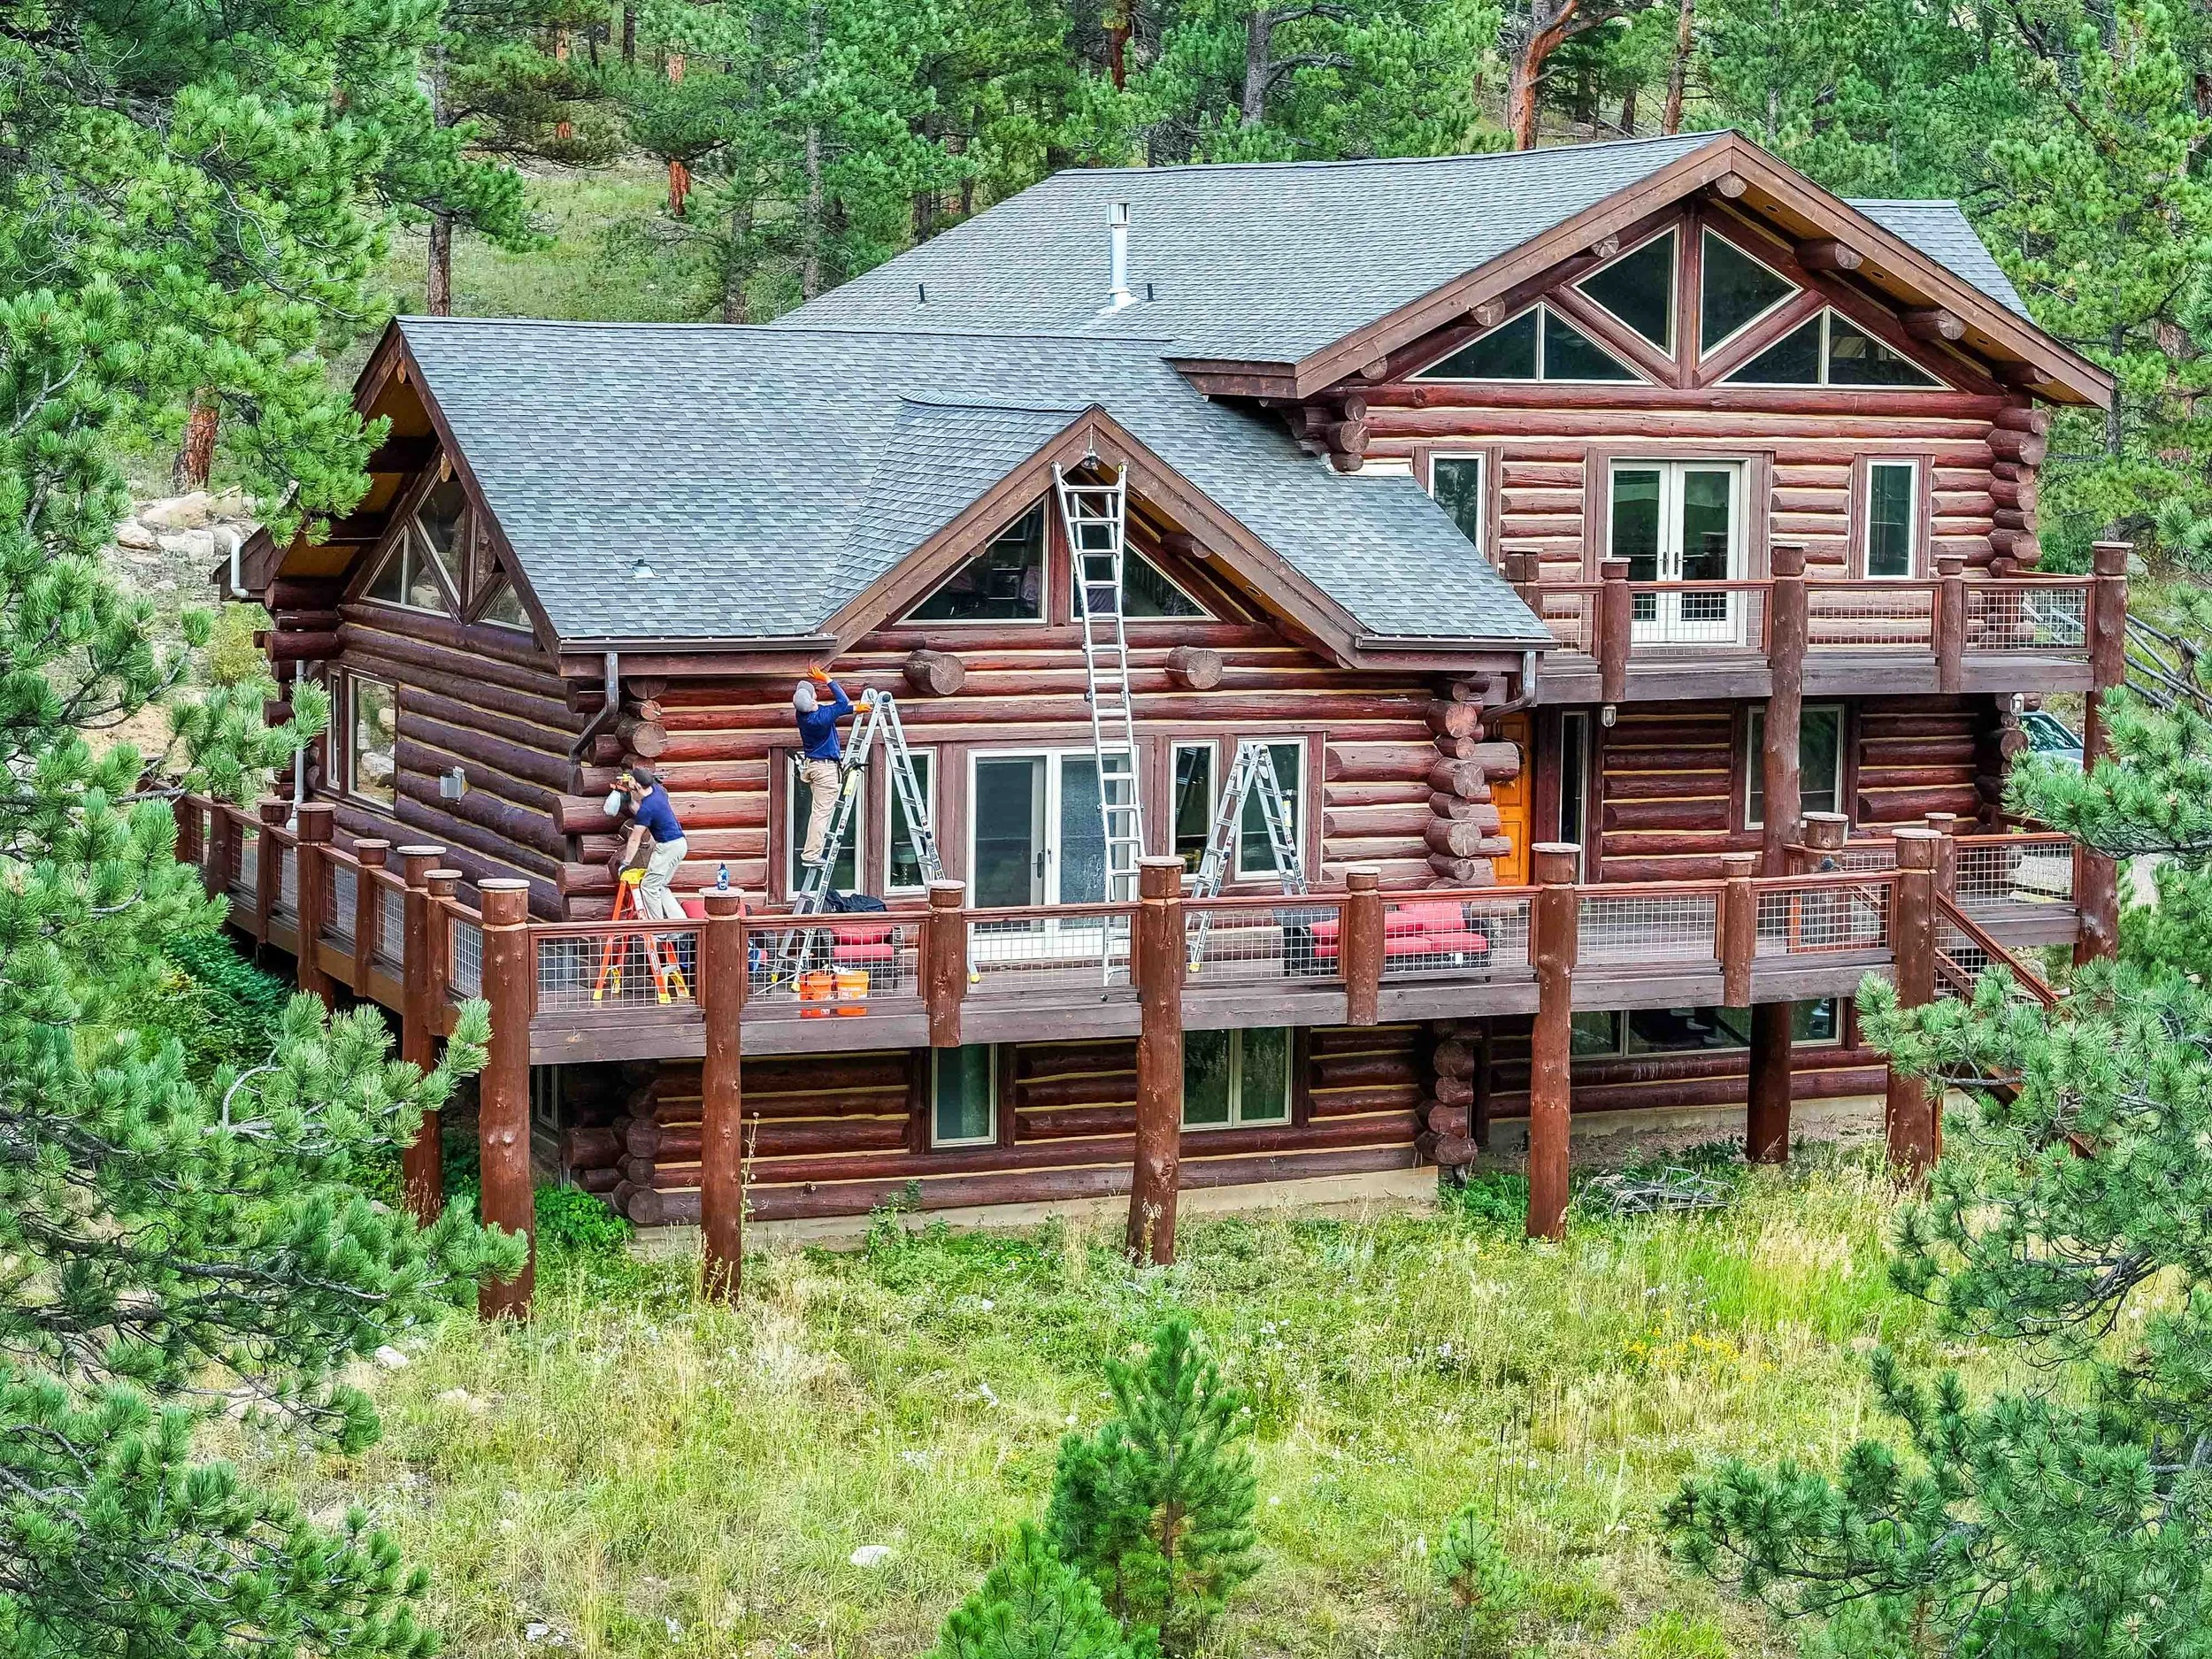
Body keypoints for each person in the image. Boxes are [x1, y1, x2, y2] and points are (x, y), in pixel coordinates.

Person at [794, 664, 861, 867]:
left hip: (813, 767)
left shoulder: (804, 715)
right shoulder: (820, 719)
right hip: (825, 771)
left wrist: (853, 710)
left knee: (819, 811)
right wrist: (827, 679)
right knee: (821, 814)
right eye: (814, 696)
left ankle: (811, 853)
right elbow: (841, 702)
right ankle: (811, 855)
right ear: (813, 700)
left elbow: (833, 709)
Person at [614, 766, 687, 921]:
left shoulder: (647, 808)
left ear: (638, 785)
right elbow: (642, 810)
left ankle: (658, 930)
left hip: (668, 847)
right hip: (680, 844)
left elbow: (635, 838)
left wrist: (626, 862)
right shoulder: (657, 791)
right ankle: (680, 925)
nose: (630, 780)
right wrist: (629, 796)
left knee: (649, 887)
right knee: (660, 885)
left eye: (632, 779)